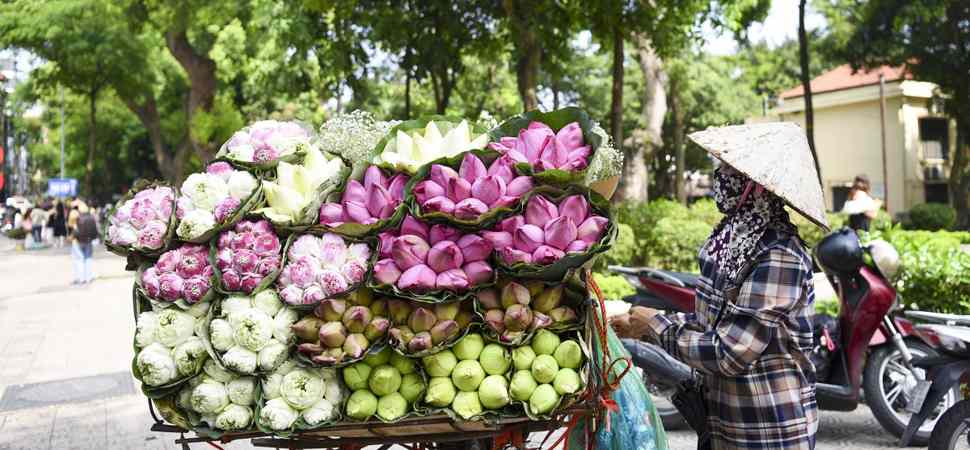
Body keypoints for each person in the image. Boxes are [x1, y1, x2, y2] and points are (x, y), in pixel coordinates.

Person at [612, 123, 826, 450]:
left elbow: (729, 352)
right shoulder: (731, 242)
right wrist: (644, 325)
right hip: (722, 425)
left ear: (755, 185)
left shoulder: (779, 256)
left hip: (768, 433)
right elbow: (710, 325)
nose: (721, 177)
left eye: (731, 171)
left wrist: (656, 325)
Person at [71, 202, 99, 284]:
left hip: (79, 241)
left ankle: (81, 278)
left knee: (79, 259)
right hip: (89, 241)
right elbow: (95, 230)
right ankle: (88, 278)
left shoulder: (78, 218)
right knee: (88, 258)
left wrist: (73, 236)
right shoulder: (91, 218)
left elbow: (76, 231)